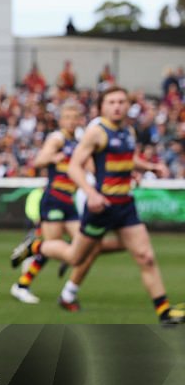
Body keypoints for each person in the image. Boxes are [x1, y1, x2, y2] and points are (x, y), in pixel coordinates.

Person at [12, 87, 183, 325]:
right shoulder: (95, 132)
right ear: (102, 107)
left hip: (125, 205)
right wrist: (91, 193)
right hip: (99, 207)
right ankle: (38, 247)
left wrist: (146, 167)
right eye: (112, 102)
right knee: (75, 256)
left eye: (122, 101)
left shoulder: (128, 131)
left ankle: (164, 311)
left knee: (145, 256)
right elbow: (74, 166)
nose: (117, 106)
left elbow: (126, 157)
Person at [9, 102, 121, 309]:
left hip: (68, 200)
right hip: (54, 198)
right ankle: (22, 284)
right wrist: (54, 156)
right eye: (67, 117)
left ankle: (39, 253)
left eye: (74, 117)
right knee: (54, 246)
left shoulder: (77, 141)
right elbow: (39, 161)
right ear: (61, 120)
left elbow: (90, 167)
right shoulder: (57, 138)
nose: (71, 121)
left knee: (80, 245)